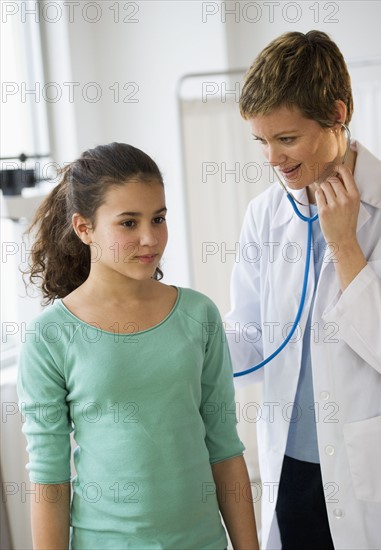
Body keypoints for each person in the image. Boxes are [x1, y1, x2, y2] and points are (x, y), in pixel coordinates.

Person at [17, 142, 260, 550]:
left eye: (158, 218)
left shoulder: (199, 315)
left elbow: (225, 450)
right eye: (128, 223)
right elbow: (50, 481)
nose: (150, 238)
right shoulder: (50, 337)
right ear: (84, 228)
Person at [225, 31, 381, 550]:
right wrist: (173, 329)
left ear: (336, 113)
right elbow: (252, 339)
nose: (272, 160)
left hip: (368, 472)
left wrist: (345, 244)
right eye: (261, 141)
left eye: (286, 139)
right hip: (291, 468)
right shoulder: (265, 212)